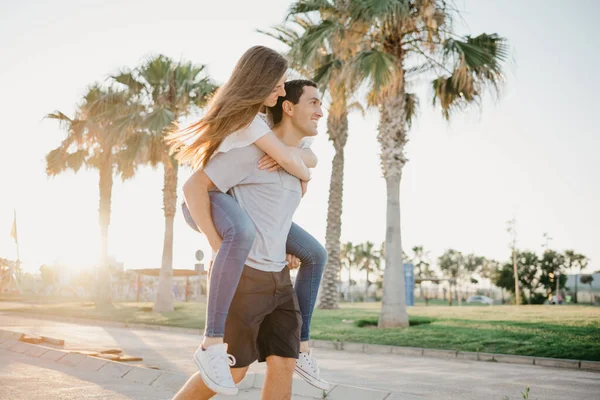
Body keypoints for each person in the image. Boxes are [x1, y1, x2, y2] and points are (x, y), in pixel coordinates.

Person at [167, 45, 328, 395]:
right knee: (233, 374)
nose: (320, 111)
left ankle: (303, 347)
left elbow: (279, 209)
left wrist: (287, 241)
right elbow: (196, 188)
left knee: (284, 363)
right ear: (287, 108)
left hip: (280, 281)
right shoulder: (251, 149)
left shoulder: (294, 158)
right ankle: (210, 344)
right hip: (248, 278)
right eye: (313, 102)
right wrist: (215, 243)